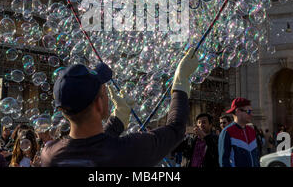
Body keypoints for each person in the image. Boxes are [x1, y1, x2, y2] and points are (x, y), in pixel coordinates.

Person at [41, 49, 199, 167]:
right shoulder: (130, 150)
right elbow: (176, 129)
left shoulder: (49, 154)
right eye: (104, 92)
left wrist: (118, 119)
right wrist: (181, 80)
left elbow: (94, 148)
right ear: (99, 104)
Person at [218, 98, 260, 167]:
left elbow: (256, 156)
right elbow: (223, 161)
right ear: (238, 112)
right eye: (249, 111)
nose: (251, 114)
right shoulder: (227, 132)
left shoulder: (251, 130)